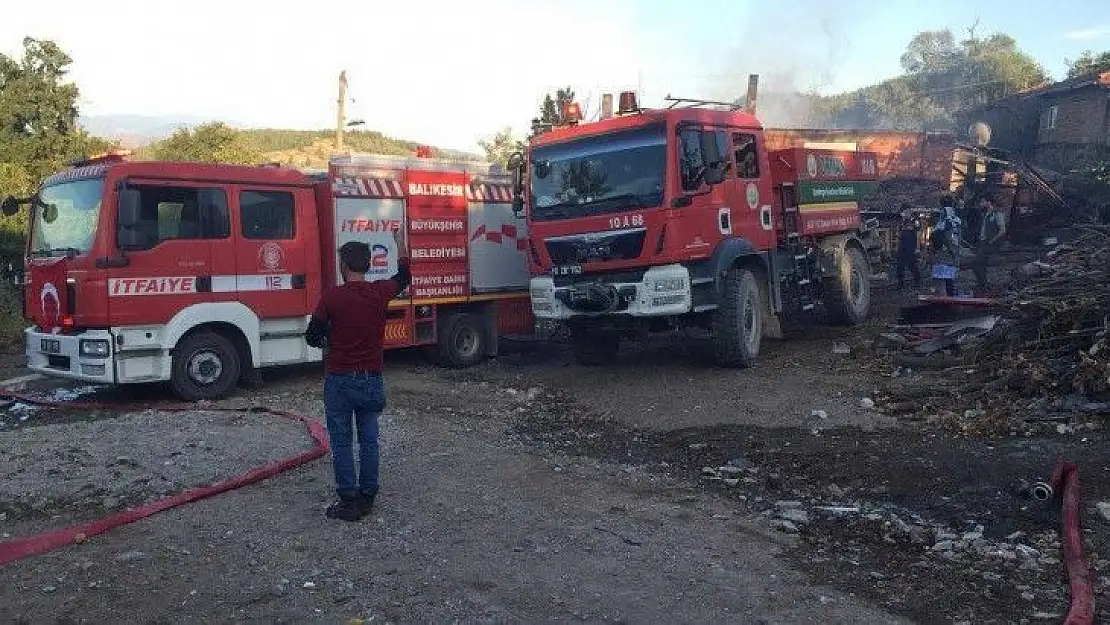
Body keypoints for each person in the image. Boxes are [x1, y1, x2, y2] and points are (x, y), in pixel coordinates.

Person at [305, 229, 411, 521]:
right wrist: (399, 242)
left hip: (340, 379)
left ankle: (348, 500)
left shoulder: (332, 297)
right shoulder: (379, 292)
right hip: (371, 378)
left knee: (341, 442)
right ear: (367, 265)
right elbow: (404, 276)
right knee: (369, 439)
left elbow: (311, 336)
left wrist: (329, 338)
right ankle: (368, 495)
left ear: (344, 265)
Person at [972, 198, 1007, 293]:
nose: (981, 204)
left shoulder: (997, 214)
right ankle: (983, 284)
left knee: (977, 263)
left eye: (983, 202)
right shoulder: (985, 214)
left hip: (988, 243)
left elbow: (1002, 230)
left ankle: (983, 285)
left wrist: (992, 241)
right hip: (982, 242)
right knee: (979, 264)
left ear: (989, 202)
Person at [894, 209, 922, 290]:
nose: (904, 214)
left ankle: (917, 281)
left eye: (906, 213)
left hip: (910, 247)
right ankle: (900, 283)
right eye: (904, 213)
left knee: (912, 265)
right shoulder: (902, 222)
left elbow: (917, 231)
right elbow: (899, 232)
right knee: (900, 266)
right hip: (902, 246)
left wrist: (917, 248)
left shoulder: (914, 221)